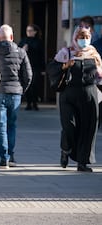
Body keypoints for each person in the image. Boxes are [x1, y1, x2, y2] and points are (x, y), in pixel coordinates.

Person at [48, 27, 101, 172]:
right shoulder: (66, 52)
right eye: (81, 37)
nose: (84, 40)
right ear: (75, 38)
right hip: (69, 94)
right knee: (69, 127)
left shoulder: (93, 53)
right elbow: (53, 69)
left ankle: (83, 162)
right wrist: (66, 65)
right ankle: (65, 149)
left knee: (88, 128)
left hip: (89, 94)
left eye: (87, 37)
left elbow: (100, 75)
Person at [0, 24, 32, 168]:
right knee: (12, 126)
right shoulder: (21, 52)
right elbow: (28, 75)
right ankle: (11, 155)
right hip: (15, 93)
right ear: (12, 37)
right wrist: (22, 89)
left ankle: (4, 158)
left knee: (0, 126)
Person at [19, 24, 45, 110]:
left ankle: (35, 102)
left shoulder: (38, 42)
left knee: (35, 84)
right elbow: (18, 51)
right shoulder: (23, 41)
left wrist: (43, 68)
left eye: (30, 31)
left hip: (35, 66)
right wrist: (23, 49)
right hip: (25, 66)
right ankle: (29, 102)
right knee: (27, 84)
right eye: (27, 31)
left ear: (35, 32)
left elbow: (41, 55)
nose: (29, 33)